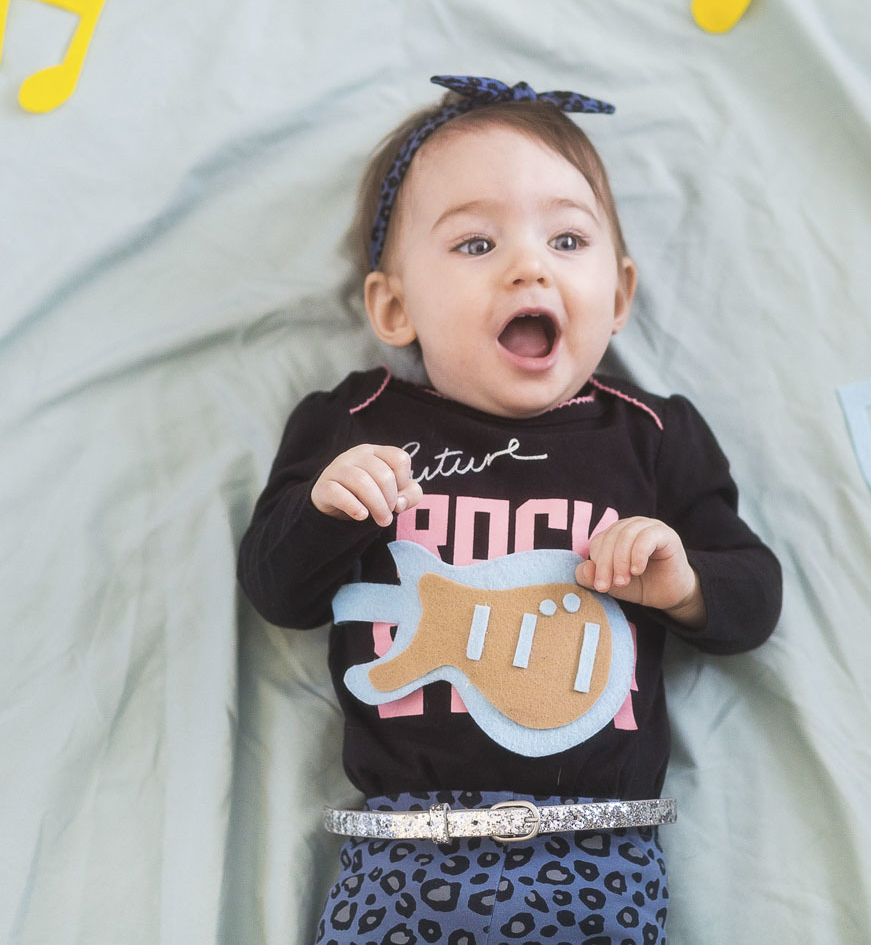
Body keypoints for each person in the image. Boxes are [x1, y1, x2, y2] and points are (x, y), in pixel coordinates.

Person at [238, 75, 782, 945]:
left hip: (599, 852)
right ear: (393, 305)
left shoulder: (650, 434)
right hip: (398, 857)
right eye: (476, 243)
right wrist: (329, 507)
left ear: (618, 293)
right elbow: (276, 588)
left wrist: (685, 583)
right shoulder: (354, 422)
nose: (529, 265)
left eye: (568, 238)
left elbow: (754, 594)